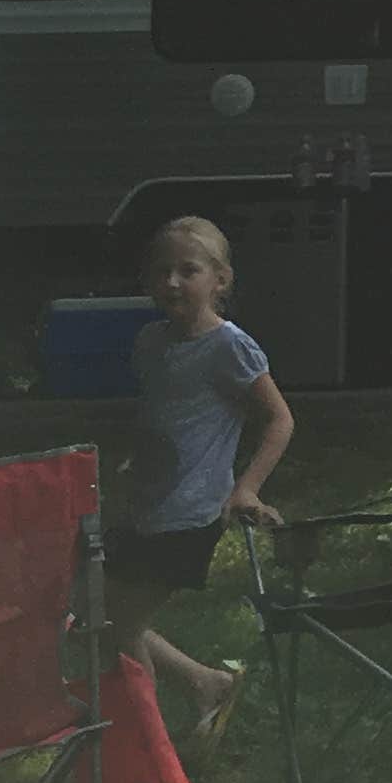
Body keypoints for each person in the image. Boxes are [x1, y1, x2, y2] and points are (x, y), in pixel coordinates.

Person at [107, 215, 292, 749]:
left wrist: (247, 488)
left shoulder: (229, 346)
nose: (172, 282)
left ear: (220, 280)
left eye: (188, 271)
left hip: (190, 514)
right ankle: (206, 684)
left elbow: (280, 419)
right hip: (145, 506)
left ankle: (149, 751)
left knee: (118, 627)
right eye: (161, 271)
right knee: (91, 615)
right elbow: (162, 414)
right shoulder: (150, 342)